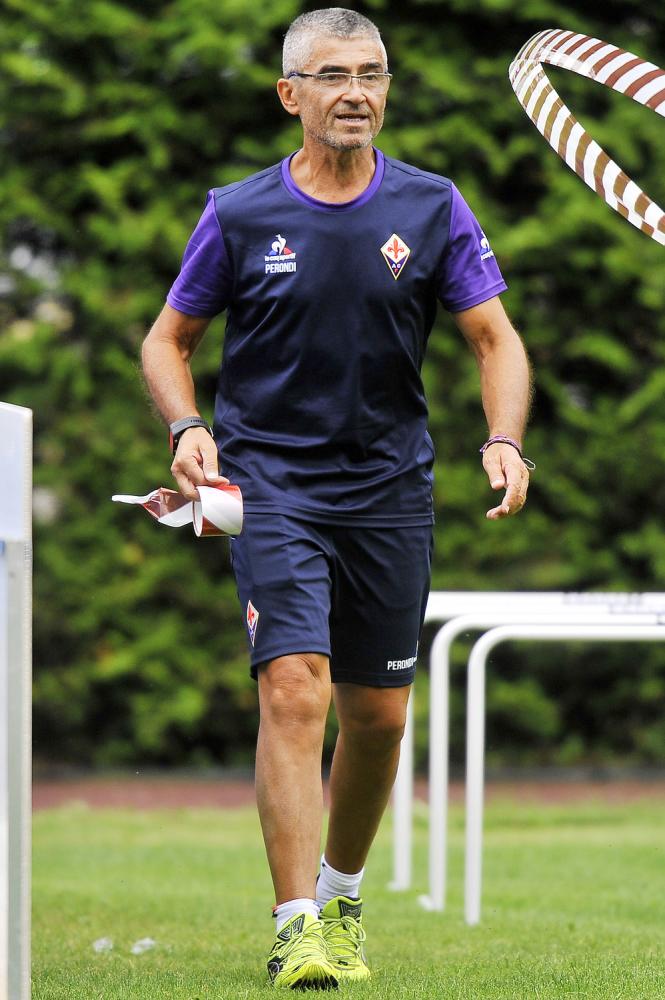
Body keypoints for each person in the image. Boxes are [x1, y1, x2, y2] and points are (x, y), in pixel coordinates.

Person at [142, 7, 532, 990]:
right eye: (332, 75)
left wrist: (502, 438)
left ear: (386, 88)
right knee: (293, 686)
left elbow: (494, 339)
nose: (355, 91)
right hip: (270, 483)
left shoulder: (431, 205)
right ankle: (295, 926)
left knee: (380, 717)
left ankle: (342, 897)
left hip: (389, 488)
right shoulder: (238, 213)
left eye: (371, 73)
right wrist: (187, 426)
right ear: (291, 94)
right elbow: (167, 340)